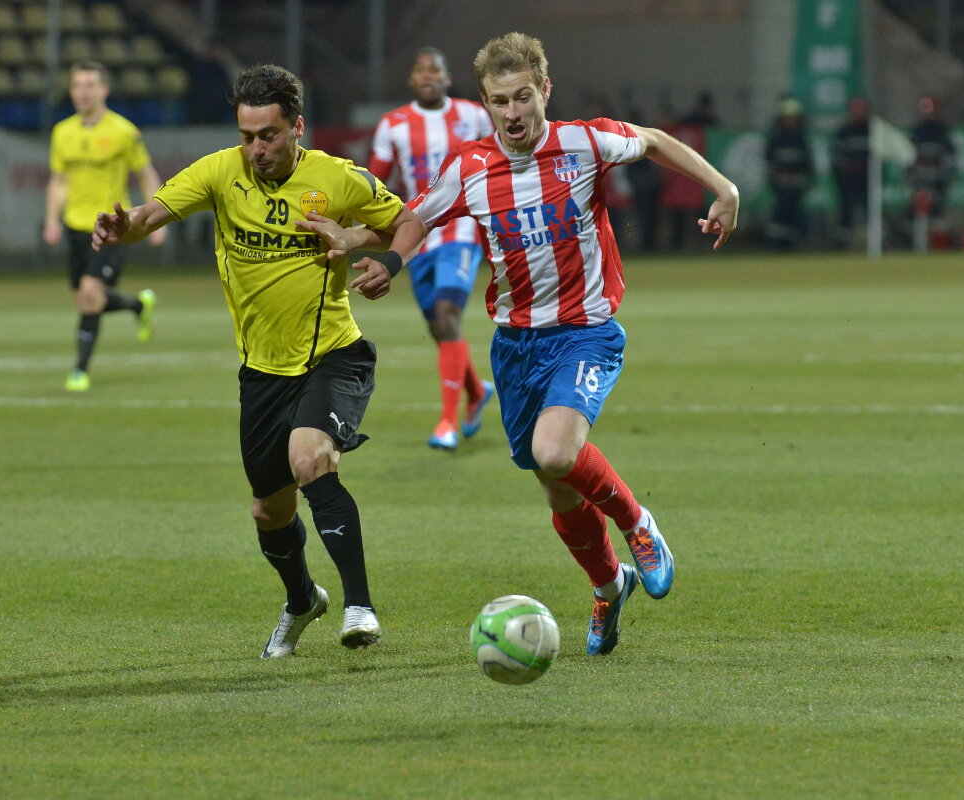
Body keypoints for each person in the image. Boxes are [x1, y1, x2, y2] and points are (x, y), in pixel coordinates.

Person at [309, 32, 738, 656]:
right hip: (515, 347)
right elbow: (413, 218)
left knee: (557, 451)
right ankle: (608, 583)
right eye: (498, 102)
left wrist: (723, 189)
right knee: (556, 486)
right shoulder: (471, 167)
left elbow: (653, 141)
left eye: (523, 98)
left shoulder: (583, 142)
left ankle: (637, 524)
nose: (512, 114)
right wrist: (375, 252)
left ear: (545, 92)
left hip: (585, 333)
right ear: (484, 102)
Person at [91, 64, 428, 656]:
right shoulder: (221, 172)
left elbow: (406, 221)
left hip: (333, 356)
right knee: (270, 511)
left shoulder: (336, 179)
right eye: (247, 135)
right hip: (262, 373)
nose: (256, 148)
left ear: (297, 127)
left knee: (311, 457)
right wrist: (123, 231)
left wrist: (377, 256)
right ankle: (302, 600)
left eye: (268, 135)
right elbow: (148, 216)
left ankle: (361, 607)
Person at [367, 47, 496, 450]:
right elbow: (374, 181)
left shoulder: (473, 115)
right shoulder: (394, 124)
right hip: (418, 233)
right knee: (439, 327)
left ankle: (446, 423)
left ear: (446, 77)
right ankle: (476, 392)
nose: (428, 75)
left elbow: (497, 162)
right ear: (411, 79)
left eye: (435, 70)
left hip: (460, 230)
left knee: (447, 314)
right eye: (420, 69)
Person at [44, 61, 166, 392]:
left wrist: (158, 217)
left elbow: (145, 173)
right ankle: (138, 305)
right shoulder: (62, 132)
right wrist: (52, 219)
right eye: (77, 85)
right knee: (87, 299)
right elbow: (59, 180)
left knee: (89, 294)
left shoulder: (124, 131)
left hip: (113, 229)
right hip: (75, 226)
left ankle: (79, 371)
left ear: (104, 90)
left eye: (89, 85)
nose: (82, 92)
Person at [764, 96, 813, 250]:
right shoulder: (776, 139)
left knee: (796, 215)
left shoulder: (802, 140)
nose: (791, 121)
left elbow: (808, 165)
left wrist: (806, 182)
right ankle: (775, 246)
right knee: (779, 216)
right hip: (781, 185)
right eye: (788, 118)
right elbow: (769, 163)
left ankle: (793, 245)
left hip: (797, 186)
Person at [908, 94, 957, 245]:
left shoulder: (943, 131)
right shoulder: (916, 131)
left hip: (938, 179)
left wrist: (949, 174)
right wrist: (910, 175)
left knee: (937, 213)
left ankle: (938, 245)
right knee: (918, 213)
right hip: (921, 179)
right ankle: (918, 245)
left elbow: (951, 157)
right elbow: (908, 157)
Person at [831, 96, 871, 248]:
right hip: (848, 180)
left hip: (868, 179)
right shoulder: (844, 132)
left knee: (870, 212)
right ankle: (841, 245)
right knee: (846, 212)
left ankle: (871, 243)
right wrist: (841, 178)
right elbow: (837, 158)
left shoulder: (871, 130)